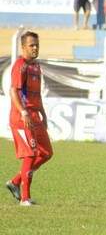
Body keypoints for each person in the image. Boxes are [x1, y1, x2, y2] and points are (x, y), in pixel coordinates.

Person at [6, 31, 53, 206]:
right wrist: (23, 112)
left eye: (37, 45)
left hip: (35, 116)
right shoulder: (21, 65)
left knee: (46, 153)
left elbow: (37, 95)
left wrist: (43, 114)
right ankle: (25, 198)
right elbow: (13, 91)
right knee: (30, 154)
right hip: (22, 117)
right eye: (31, 45)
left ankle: (16, 181)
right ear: (23, 47)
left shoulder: (36, 66)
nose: (35, 48)